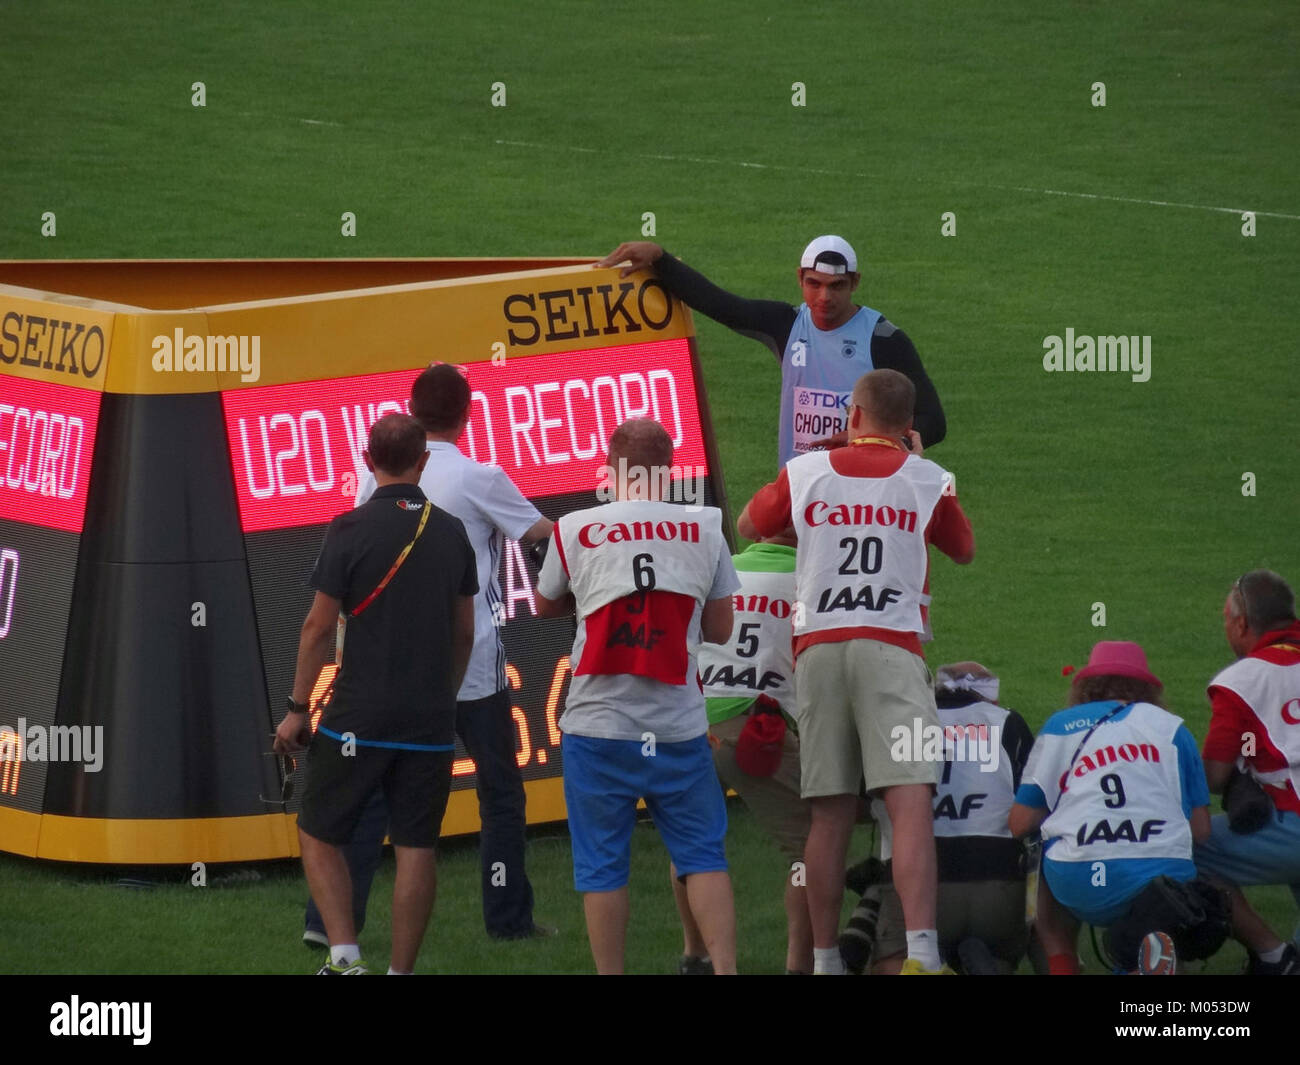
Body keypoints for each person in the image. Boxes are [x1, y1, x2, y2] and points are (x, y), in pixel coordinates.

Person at [303, 364, 554, 944]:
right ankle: (507, 919)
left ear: (411, 410)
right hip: (471, 671)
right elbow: (539, 535)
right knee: (499, 794)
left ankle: (332, 925)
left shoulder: (377, 481)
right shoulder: (479, 476)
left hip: (390, 671)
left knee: (364, 798)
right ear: (467, 414)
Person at [738, 368, 974, 975]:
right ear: (910, 427)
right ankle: (920, 955)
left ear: (854, 416)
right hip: (892, 649)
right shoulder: (928, 478)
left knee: (829, 811)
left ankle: (824, 961)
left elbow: (749, 524)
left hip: (817, 651)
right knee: (910, 802)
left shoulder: (807, 471)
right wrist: (920, 468)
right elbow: (964, 548)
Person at [535, 418, 741, 974]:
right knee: (701, 857)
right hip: (676, 725)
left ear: (609, 466)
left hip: (598, 726)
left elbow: (544, 603)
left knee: (603, 868)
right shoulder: (706, 525)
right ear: (671, 469)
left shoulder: (575, 527)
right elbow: (721, 631)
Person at [275, 413, 477, 974]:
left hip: (357, 718)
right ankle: (401, 971)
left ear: (367, 461)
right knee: (417, 847)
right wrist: (447, 693)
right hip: (430, 719)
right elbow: (465, 632)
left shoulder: (348, 529)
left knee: (317, 830)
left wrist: (296, 709)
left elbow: (317, 629)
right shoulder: (453, 531)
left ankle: (344, 957)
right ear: (424, 461)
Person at [597, 236, 946, 467]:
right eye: (815, 284)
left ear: (855, 283)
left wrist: (867, 439)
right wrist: (660, 258)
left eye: (837, 286)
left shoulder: (883, 339)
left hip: (858, 499)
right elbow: (720, 304)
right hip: (796, 494)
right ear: (800, 279)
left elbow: (933, 420)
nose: (824, 297)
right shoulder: (787, 325)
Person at [1007, 642, 1229, 976]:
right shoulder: (1172, 728)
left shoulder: (1060, 725)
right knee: (1158, 922)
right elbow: (1200, 830)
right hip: (1162, 881)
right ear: (1147, 687)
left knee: (1042, 847)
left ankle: (1062, 964)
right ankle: (1146, 959)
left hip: (1079, 881)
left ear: (1086, 685)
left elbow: (1020, 823)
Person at [676, 528, 813, 975]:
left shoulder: (722, 567)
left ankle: (695, 956)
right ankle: (799, 963)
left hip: (688, 726)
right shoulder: (808, 578)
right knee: (811, 848)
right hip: (749, 728)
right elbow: (808, 676)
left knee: (691, 850)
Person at [863, 663, 1034, 975]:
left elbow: (868, 805)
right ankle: (994, 961)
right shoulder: (1008, 721)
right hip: (996, 890)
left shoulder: (904, 725)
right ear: (990, 699)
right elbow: (1036, 809)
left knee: (894, 959)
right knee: (1002, 951)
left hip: (922, 894)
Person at [1196, 569, 1300, 974]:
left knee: (1177, 848)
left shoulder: (1242, 681)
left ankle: (1274, 956)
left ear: (1242, 624)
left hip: (1292, 827)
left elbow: (1213, 777)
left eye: (1225, 619)